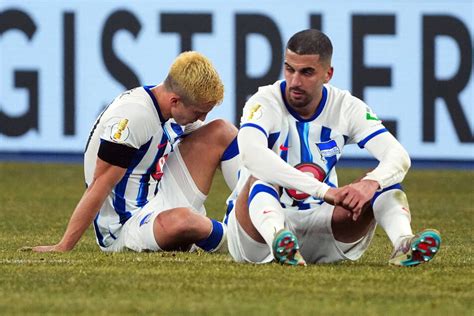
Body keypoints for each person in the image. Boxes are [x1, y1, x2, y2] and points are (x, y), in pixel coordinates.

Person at [224, 29, 441, 266]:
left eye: (307, 72)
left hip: (323, 228)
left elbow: (398, 156)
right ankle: (279, 238)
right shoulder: (263, 102)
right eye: (289, 69)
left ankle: (404, 243)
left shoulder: (346, 107)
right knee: (261, 177)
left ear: (328, 74)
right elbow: (250, 154)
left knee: (384, 180)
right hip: (256, 235)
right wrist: (323, 191)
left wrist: (371, 183)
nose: (295, 81)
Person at [32, 51, 239, 253]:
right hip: (127, 224)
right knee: (184, 221)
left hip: (159, 194)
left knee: (222, 131)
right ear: (175, 101)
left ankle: (256, 213)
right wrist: (63, 246)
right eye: (198, 112)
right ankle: (242, 242)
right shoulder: (134, 117)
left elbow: (212, 143)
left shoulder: (169, 108)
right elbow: (99, 184)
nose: (201, 118)